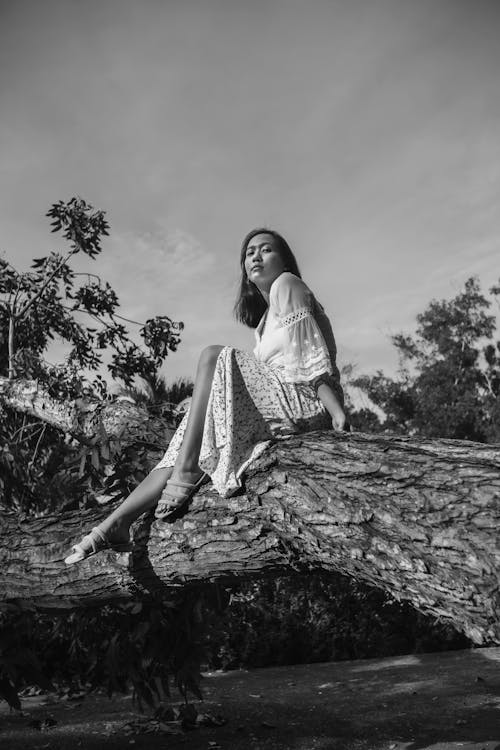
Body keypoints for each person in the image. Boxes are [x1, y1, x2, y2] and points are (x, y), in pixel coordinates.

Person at [64, 229, 347, 565]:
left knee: (213, 356)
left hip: (304, 402)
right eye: (249, 253)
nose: (255, 256)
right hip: (278, 404)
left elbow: (311, 360)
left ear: (284, 260)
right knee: (183, 440)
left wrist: (336, 411)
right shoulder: (263, 323)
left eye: (266, 250)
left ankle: (185, 472)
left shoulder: (288, 284)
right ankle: (114, 524)